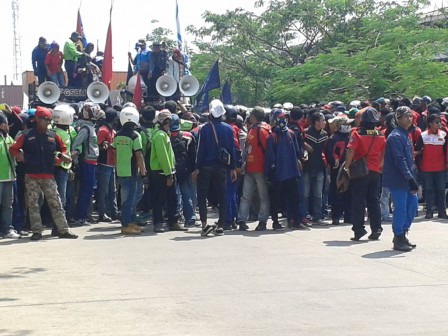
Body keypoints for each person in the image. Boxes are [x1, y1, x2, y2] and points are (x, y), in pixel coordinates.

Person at [9, 107, 78, 241]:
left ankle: (63, 230)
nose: (47, 122)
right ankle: (37, 231)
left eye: (48, 120)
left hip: (48, 175)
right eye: (45, 120)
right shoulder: (26, 135)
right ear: (37, 120)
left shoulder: (53, 136)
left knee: (56, 203)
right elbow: (13, 148)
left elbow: (62, 149)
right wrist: (19, 157)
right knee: (33, 204)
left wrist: (60, 159)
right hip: (31, 176)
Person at [194, 100, 237, 236]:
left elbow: (200, 150)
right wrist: (233, 168)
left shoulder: (204, 129)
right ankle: (220, 225)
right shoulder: (228, 129)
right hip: (222, 167)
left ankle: (205, 224)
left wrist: (196, 167)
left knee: (202, 195)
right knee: (222, 195)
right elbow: (232, 150)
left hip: (206, 166)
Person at [345, 107, 386, 241]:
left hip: (360, 172)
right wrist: (379, 165)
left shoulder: (357, 134)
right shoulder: (380, 134)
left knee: (358, 201)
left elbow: (350, 150)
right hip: (375, 171)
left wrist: (346, 167)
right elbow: (383, 153)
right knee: (374, 201)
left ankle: (359, 229)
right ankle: (376, 229)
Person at [382, 106, 418, 252]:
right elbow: (400, 160)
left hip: (407, 177)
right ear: (398, 119)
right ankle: (398, 237)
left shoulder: (406, 135)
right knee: (401, 209)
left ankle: (403, 233)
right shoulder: (395, 136)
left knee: (412, 205)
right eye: (405, 116)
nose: (408, 119)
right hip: (398, 179)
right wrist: (410, 178)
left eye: (410, 116)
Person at [264, 111, 305, 230]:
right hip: (277, 173)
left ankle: (295, 220)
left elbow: (297, 152)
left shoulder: (291, 134)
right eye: (281, 119)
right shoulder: (272, 136)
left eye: (285, 118)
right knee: (276, 199)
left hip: (291, 171)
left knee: (295, 197)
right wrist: (268, 174)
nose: (283, 121)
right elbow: (269, 156)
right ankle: (275, 221)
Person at [150, 110, 187, 233]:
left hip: (168, 171)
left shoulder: (165, 134)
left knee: (172, 199)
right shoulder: (160, 135)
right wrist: (168, 174)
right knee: (159, 199)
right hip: (162, 172)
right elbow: (163, 157)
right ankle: (158, 223)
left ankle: (173, 222)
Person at [113, 107, 147, 235]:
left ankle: (130, 221)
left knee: (127, 199)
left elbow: (115, 153)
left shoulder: (117, 135)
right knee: (129, 201)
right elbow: (139, 156)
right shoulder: (135, 136)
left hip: (120, 171)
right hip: (131, 171)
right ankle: (126, 225)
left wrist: (117, 167)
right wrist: (143, 173)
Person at [236, 107, 271, 231]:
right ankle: (241, 220)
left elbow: (268, 150)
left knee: (263, 196)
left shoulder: (262, 130)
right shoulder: (252, 129)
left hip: (260, 168)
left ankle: (262, 221)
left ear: (254, 116)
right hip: (250, 168)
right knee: (246, 196)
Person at [71, 103, 101, 226]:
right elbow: (76, 144)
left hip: (92, 162)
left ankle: (83, 215)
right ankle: (80, 216)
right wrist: (77, 156)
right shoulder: (86, 129)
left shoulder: (90, 127)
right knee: (85, 191)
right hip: (87, 163)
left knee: (88, 191)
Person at [415, 113, 448, 219]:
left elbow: (446, 151)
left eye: (439, 122)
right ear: (430, 124)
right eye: (436, 122)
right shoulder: (423, 135)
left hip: (441, 168)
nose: (439, 124)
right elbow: (418, 149)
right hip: (427, 168)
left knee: (441, 190)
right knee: (428, 190)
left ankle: (442, 212)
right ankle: (429, 212)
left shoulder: (443, 134)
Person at [325, 113, 353, 225]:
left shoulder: (350, 137)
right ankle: (336, 216)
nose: (348, 125)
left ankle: (348, 216)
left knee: (349, 192)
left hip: (350, 168)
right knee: (337, 192)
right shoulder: (333, 138)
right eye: (346, 124)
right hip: (337, 169)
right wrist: (334, 162)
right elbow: (328, 153)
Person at [303, 112, 328, 225]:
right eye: (322, 120)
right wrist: (304, 146)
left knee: (318, 194)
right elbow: (299, 142)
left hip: (319, 167)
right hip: (307, 167)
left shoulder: (325, 135)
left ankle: (317, 216)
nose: (324, 122)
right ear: (316, 122)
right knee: (305, 194)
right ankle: (304, 216)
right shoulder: (306, 133)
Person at [0, 112, 21, 239]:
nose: (8, 125)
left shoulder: (8, 138)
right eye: (6, 122)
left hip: (9, 176)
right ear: (1, 125)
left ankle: (8, 229)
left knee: (8, 205)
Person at [96, 108, 118, 222]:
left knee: (112, 190)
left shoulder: (111, 131)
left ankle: (113, 212)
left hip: (111, 163)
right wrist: (107, 146)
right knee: (103, 190)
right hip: (104, 163)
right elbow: (98, 147)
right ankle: (102, 213)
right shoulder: (103, 130)